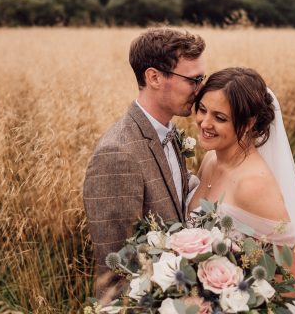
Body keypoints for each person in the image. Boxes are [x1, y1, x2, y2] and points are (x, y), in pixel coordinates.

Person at [188, 67, 295, 313]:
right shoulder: (211, 160)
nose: (205, 122)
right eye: (202, 110)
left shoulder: (253, 185)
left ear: (248, 123)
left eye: (220, 117)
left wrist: (226, 306)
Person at [83, 28, 206, 301]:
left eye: (202, 78)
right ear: (154, 77)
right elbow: (115, 270)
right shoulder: (117, 154)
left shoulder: (169, 133)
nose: (200, 90)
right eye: (193, 80)